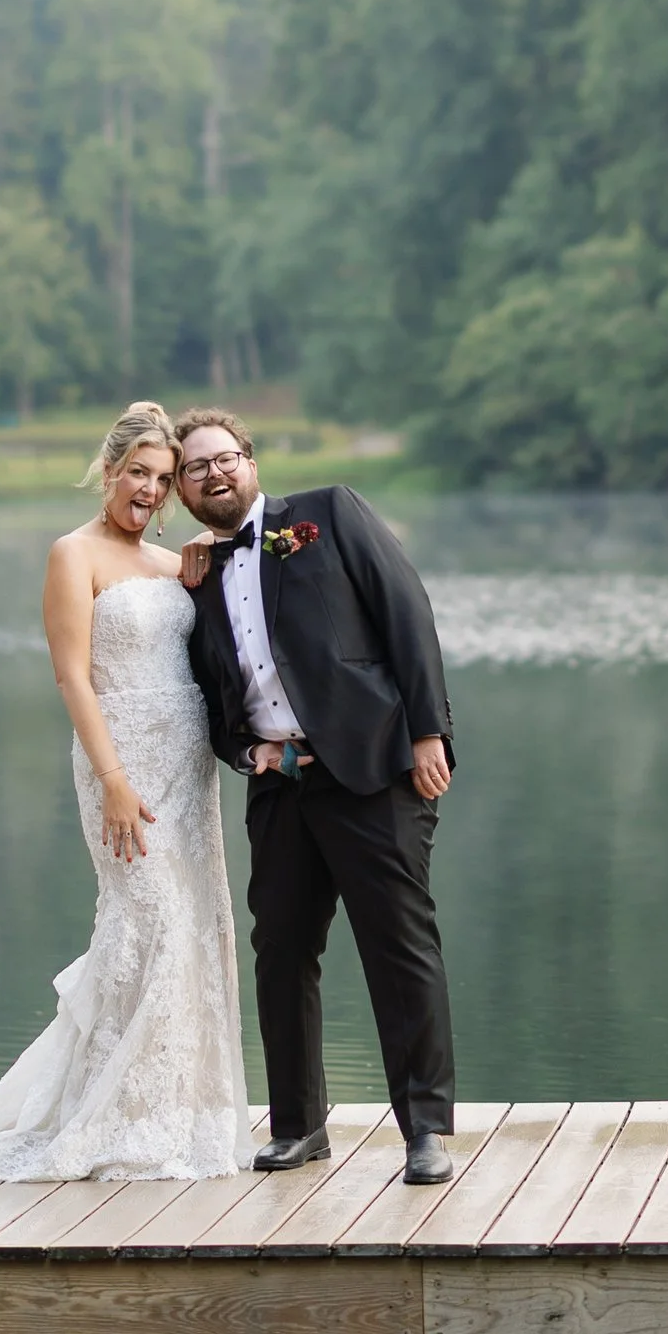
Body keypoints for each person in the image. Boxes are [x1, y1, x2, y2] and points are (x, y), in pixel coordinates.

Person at [0, 404, 252, 1182]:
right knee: (147, 923)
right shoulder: (74, 555)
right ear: (108, 470)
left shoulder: (173, 566)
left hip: (186, 772)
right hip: (120, 766)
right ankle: (106, 1112)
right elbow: (71, 675)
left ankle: (171, 1110)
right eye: (139, 474)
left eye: (164, 482)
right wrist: (115, 783)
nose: (150, 492)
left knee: (194, 927)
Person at [171, 408, 459, 1189]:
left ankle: (427, 1130)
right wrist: (244, 752)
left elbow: (408, 614)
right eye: (196, 468)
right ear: (184, 491)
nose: (215, 474)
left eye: (224, 458)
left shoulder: (328, 515)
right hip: (281, 790)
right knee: (282, 954)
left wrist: (429, 733)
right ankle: (298, 1127)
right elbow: (206, 695)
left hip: (374, 772)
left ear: (251, 462)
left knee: (399, 950)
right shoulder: (194, 578)